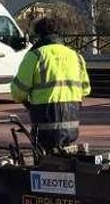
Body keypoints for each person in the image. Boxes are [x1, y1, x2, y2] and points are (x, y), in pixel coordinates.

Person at [10, 17, 91, 151]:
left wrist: (26, 100)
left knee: (45, 160)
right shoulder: (76, 56)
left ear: (39, 35)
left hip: (44, 124)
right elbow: (85, 89)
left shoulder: (35, 55)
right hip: (71, 123)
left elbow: (17, 92)